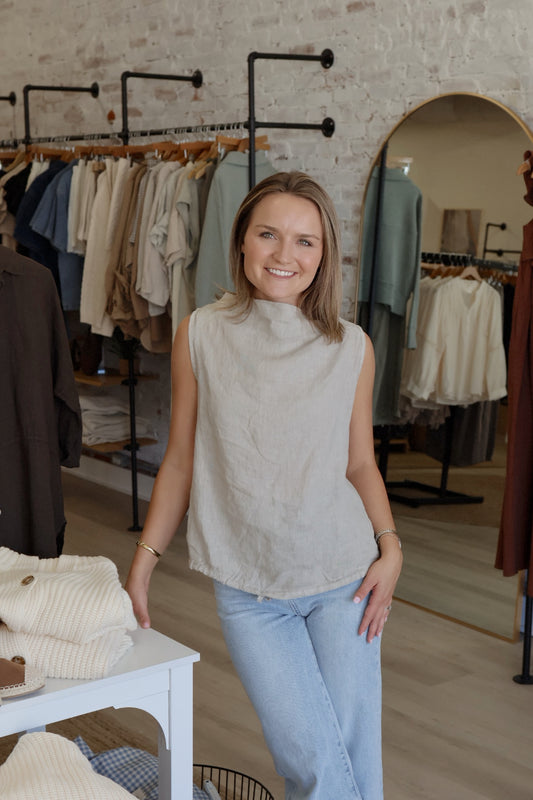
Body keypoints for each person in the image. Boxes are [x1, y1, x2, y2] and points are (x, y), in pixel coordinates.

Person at [125, 171, 403, 800]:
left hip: (344, 580)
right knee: (311, 759)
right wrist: (142, 566)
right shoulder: (200, 333)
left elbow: (360, 463)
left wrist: (391, 547)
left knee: (353, 753)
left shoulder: (352, 347)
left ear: (324, 254)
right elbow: (180, 462)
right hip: (248, 589)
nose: (285, 255)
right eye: (268, 234)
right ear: (242, 241)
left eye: (306, 241)